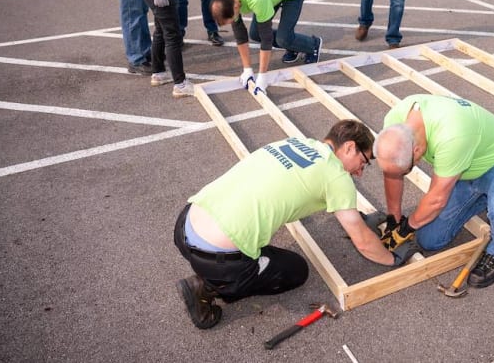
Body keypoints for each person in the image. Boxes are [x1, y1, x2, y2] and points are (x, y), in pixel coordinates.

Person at [174, 119, 411, 329]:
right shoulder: (337, 175)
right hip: (216, 258)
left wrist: (356, 217)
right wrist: (392, 259)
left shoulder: (296, 142)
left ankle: (222, 271)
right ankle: (207, 286)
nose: (360, 172)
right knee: (296, 271)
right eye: (364, 161)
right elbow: (363, 242)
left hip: (185, 225)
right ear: (349, 147)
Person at [374, 94, 494, 288]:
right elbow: (392, 174)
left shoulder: (452, 134)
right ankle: (485, 198)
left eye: (408, 168)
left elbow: (437, 199)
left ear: (415, 151)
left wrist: (407, 227)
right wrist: (394, 219)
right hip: (463, 173)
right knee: (429, 239)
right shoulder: (394, 125)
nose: (405, 172)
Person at [211, 0, 323, 87]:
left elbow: (266, 38)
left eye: (232, 19)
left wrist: (262, 75)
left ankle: (313, 45)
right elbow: (240, 36)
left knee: (283, 39)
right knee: (255, 34)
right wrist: (247, 69)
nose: (233, 22)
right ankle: (293, 47)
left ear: (236, 8)